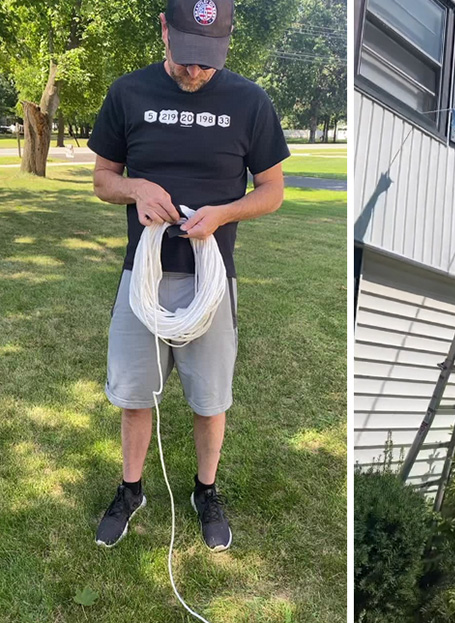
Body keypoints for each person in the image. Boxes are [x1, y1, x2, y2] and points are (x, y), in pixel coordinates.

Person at [88, 0, 289, 551]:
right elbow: (104, 178)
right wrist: (136, 188)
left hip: (211, 282)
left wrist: (223, 213)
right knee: (135, 395)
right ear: (164, 32)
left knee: (210, 400)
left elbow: (273, 191)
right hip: (143, 276)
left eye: (208, 61)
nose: (196, 70)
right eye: (186, 58)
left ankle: (205, 491)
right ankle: (131, 490)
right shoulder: (128, 93)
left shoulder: (249, 101)